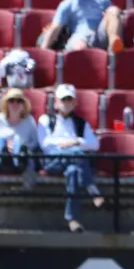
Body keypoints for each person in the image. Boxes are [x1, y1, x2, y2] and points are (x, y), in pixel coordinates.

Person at [38, 84, 102, 233]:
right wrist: (65, 146)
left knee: (73, 171)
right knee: (77, 154)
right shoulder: (46, 119)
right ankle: (92, 188)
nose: (66, 103)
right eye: (63, 100)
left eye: (69, 100)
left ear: (74, 103)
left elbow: (95, 144)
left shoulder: (81, 123)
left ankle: (72, 219)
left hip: (73, 160)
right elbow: (45, 144)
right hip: (52, 161)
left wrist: (76, 142)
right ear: (56, 102)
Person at [0, 88, 39, 193]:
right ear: (6, 104)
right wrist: (3, 146)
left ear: (23, 105)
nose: (15, 104)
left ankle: (26, 197)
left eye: (19, 101)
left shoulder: (29, 121)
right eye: (11, 101)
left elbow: (35, 142)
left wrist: (20, 146)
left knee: (30, 161)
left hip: (21, 160)